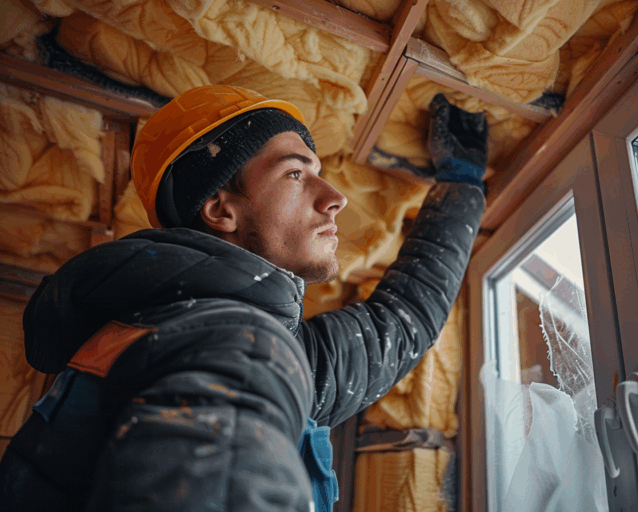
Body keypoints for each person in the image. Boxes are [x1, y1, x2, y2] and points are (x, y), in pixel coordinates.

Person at [0, 85, 488, 511]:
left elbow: (403, 321)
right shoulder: (235, 343)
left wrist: (462, 187)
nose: (334, 196)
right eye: (296, 174)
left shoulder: (185, 330)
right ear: (219, 209)